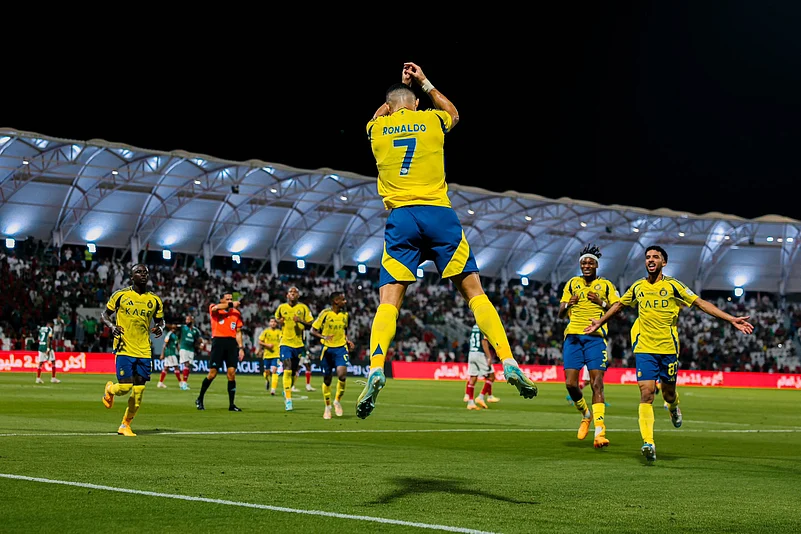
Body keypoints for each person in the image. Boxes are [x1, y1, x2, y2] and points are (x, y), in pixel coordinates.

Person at [356, 61, 538, 419]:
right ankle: (509, 361)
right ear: (417, 105)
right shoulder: (430, 120)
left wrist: (392, 100)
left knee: (389, 303)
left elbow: (378, 114)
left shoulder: (376, 130)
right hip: (440, 215)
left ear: (389, 107)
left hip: (402, 218)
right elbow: (453, 112)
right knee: (475, 295)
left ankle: (376, 366)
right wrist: (423, 82)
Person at [585, 245, 754, 462]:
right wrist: (600, 320)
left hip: (668, 349)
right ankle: (648, 442)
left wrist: (730, 319)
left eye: (655, 257)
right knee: (646, 394)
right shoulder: (638, 287)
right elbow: (619, 305)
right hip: (645, 348)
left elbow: (700, 303)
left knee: (668, 394)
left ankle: (673, 407)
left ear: (664, 262)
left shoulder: (674, 286)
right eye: (648, 257)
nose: (651, 260)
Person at [558, 244, 620, 449]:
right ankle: (586, 414)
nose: (586, 265)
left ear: (596, 266)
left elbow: (618, 309)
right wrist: (569, 304)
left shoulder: (607, 286)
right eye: (583, 262)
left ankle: (600, 432)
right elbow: (560, 313)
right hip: (573, 338)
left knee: (597, 384)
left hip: (595, 338)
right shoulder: (572, 284)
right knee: (570, 384)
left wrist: (602, 303)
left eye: (590, 262)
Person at [100, 264, 165, 437]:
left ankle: (125, 425)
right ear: (131, 276)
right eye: (139, 272)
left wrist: (160, 327)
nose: (143, 274)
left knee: (138, 392)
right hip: (124, 347)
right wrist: (111, 326)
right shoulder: (121, 295)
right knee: (124, 387)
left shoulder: (154, 300)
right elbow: (104, 314)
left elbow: (160, 321)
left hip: (144, 350)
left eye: (145, 272)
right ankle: (110, 390)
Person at [195, 292, 245, 412]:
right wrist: (232, 304)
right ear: (221, 300)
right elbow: (217, 308)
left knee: (231, 373)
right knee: (212, 373)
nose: (229, 301)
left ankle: (231, 405)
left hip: (231, 344)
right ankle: (200, 398)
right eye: (227, 299)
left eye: (231, 299)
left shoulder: (236, 313)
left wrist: (241, 347)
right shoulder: (214, 308)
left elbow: (238, 332)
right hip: (218, 342)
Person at [310, 291, 354, 419]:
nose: (345, 302)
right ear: (336, 301)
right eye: (343, 300)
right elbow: (313, 330)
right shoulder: (325, 314)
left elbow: (344, 331)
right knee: (327, 379)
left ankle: (337, 401)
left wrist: (347, 340)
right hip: (327, 349)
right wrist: (324, 336)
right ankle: (327, 406)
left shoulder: (345, 315)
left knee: (342, 375)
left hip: (341, 348)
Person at [275, 286, 314, 411]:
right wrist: (279, 321)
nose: (292, 294)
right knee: (286, 369)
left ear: (298, 295)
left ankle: (288, 390)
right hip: (285, 343)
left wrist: (300, 321)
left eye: (295, 292)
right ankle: (288, 400)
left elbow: (311, 324)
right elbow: (277, 318)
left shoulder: (303, 308)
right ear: (287, 295)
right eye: (290, 292)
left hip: (298, 344)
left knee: (293, 372)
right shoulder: (281, 308)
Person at [463, 324, 497, 410]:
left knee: (473, 378)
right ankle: (481, 397)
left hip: (471, 353)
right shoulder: (483, 326)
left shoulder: (474, 326)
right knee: (491, 376)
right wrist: (489, 357)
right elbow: (484, 342)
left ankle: (470, 403)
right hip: (479, 354)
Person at [178, 314, 206, 390]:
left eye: (188, 320)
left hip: (191, 349)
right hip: (184, 348)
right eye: (186, 320)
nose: (187, 321)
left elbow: (199, 339)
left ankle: (184, 381)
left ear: (192, 321)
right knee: (186, 364)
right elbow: (174, 328)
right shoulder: (183, 327)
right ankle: (183, 384)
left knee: (188, 366)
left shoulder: (195, 330)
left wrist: (201, 344)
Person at [258, 317, 282, 395]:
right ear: (269, 323)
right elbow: (260, 341)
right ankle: (267, 380)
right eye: (271, 322)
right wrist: (267, 345)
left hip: (276, 354)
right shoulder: (265, 331)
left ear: (276, 323)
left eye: (274, 322)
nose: (273, 323)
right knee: (266, 372)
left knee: (274, 370)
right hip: (267, 355)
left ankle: (273, 390)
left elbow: (282, 339)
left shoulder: (279, 332)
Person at [157, 324, 182, 389]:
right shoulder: (169, 334)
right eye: (173, 327)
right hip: (170, 353)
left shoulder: (175, 335)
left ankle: (160, 383)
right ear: (171, 328)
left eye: (175, 327)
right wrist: (162, 354)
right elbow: (165, 344)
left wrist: (180, 353)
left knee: (166, 368)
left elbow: (177, 345)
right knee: (176, 367)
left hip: (171, 352)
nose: (174, 328)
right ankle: (181, 383)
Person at [35, 320, 59, 384]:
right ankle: (53, 378)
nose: (53, 327)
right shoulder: (49, 329)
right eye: (53, 325)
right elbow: (49, 338)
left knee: (40, 362)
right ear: (50, 324)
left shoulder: (41, 329)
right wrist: (48, 348)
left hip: (41, 346)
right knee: (53, 361)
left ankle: (38, 378)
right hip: (47, 346)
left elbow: (39, 338)